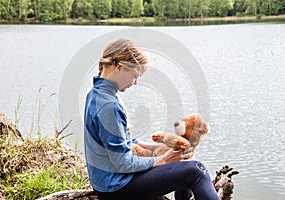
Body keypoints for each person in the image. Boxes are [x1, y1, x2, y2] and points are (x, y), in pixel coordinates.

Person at [84, 38, 219, 200]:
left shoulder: (96, 94)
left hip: (108, 183)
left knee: (184, 168)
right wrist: (161, 160)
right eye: (135, 75)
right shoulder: (108, 105)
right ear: (119, 68)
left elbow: (119, 140)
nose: (135, 82)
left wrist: (153, 148)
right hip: (117, 188)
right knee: (196, 171)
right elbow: (123, 163)